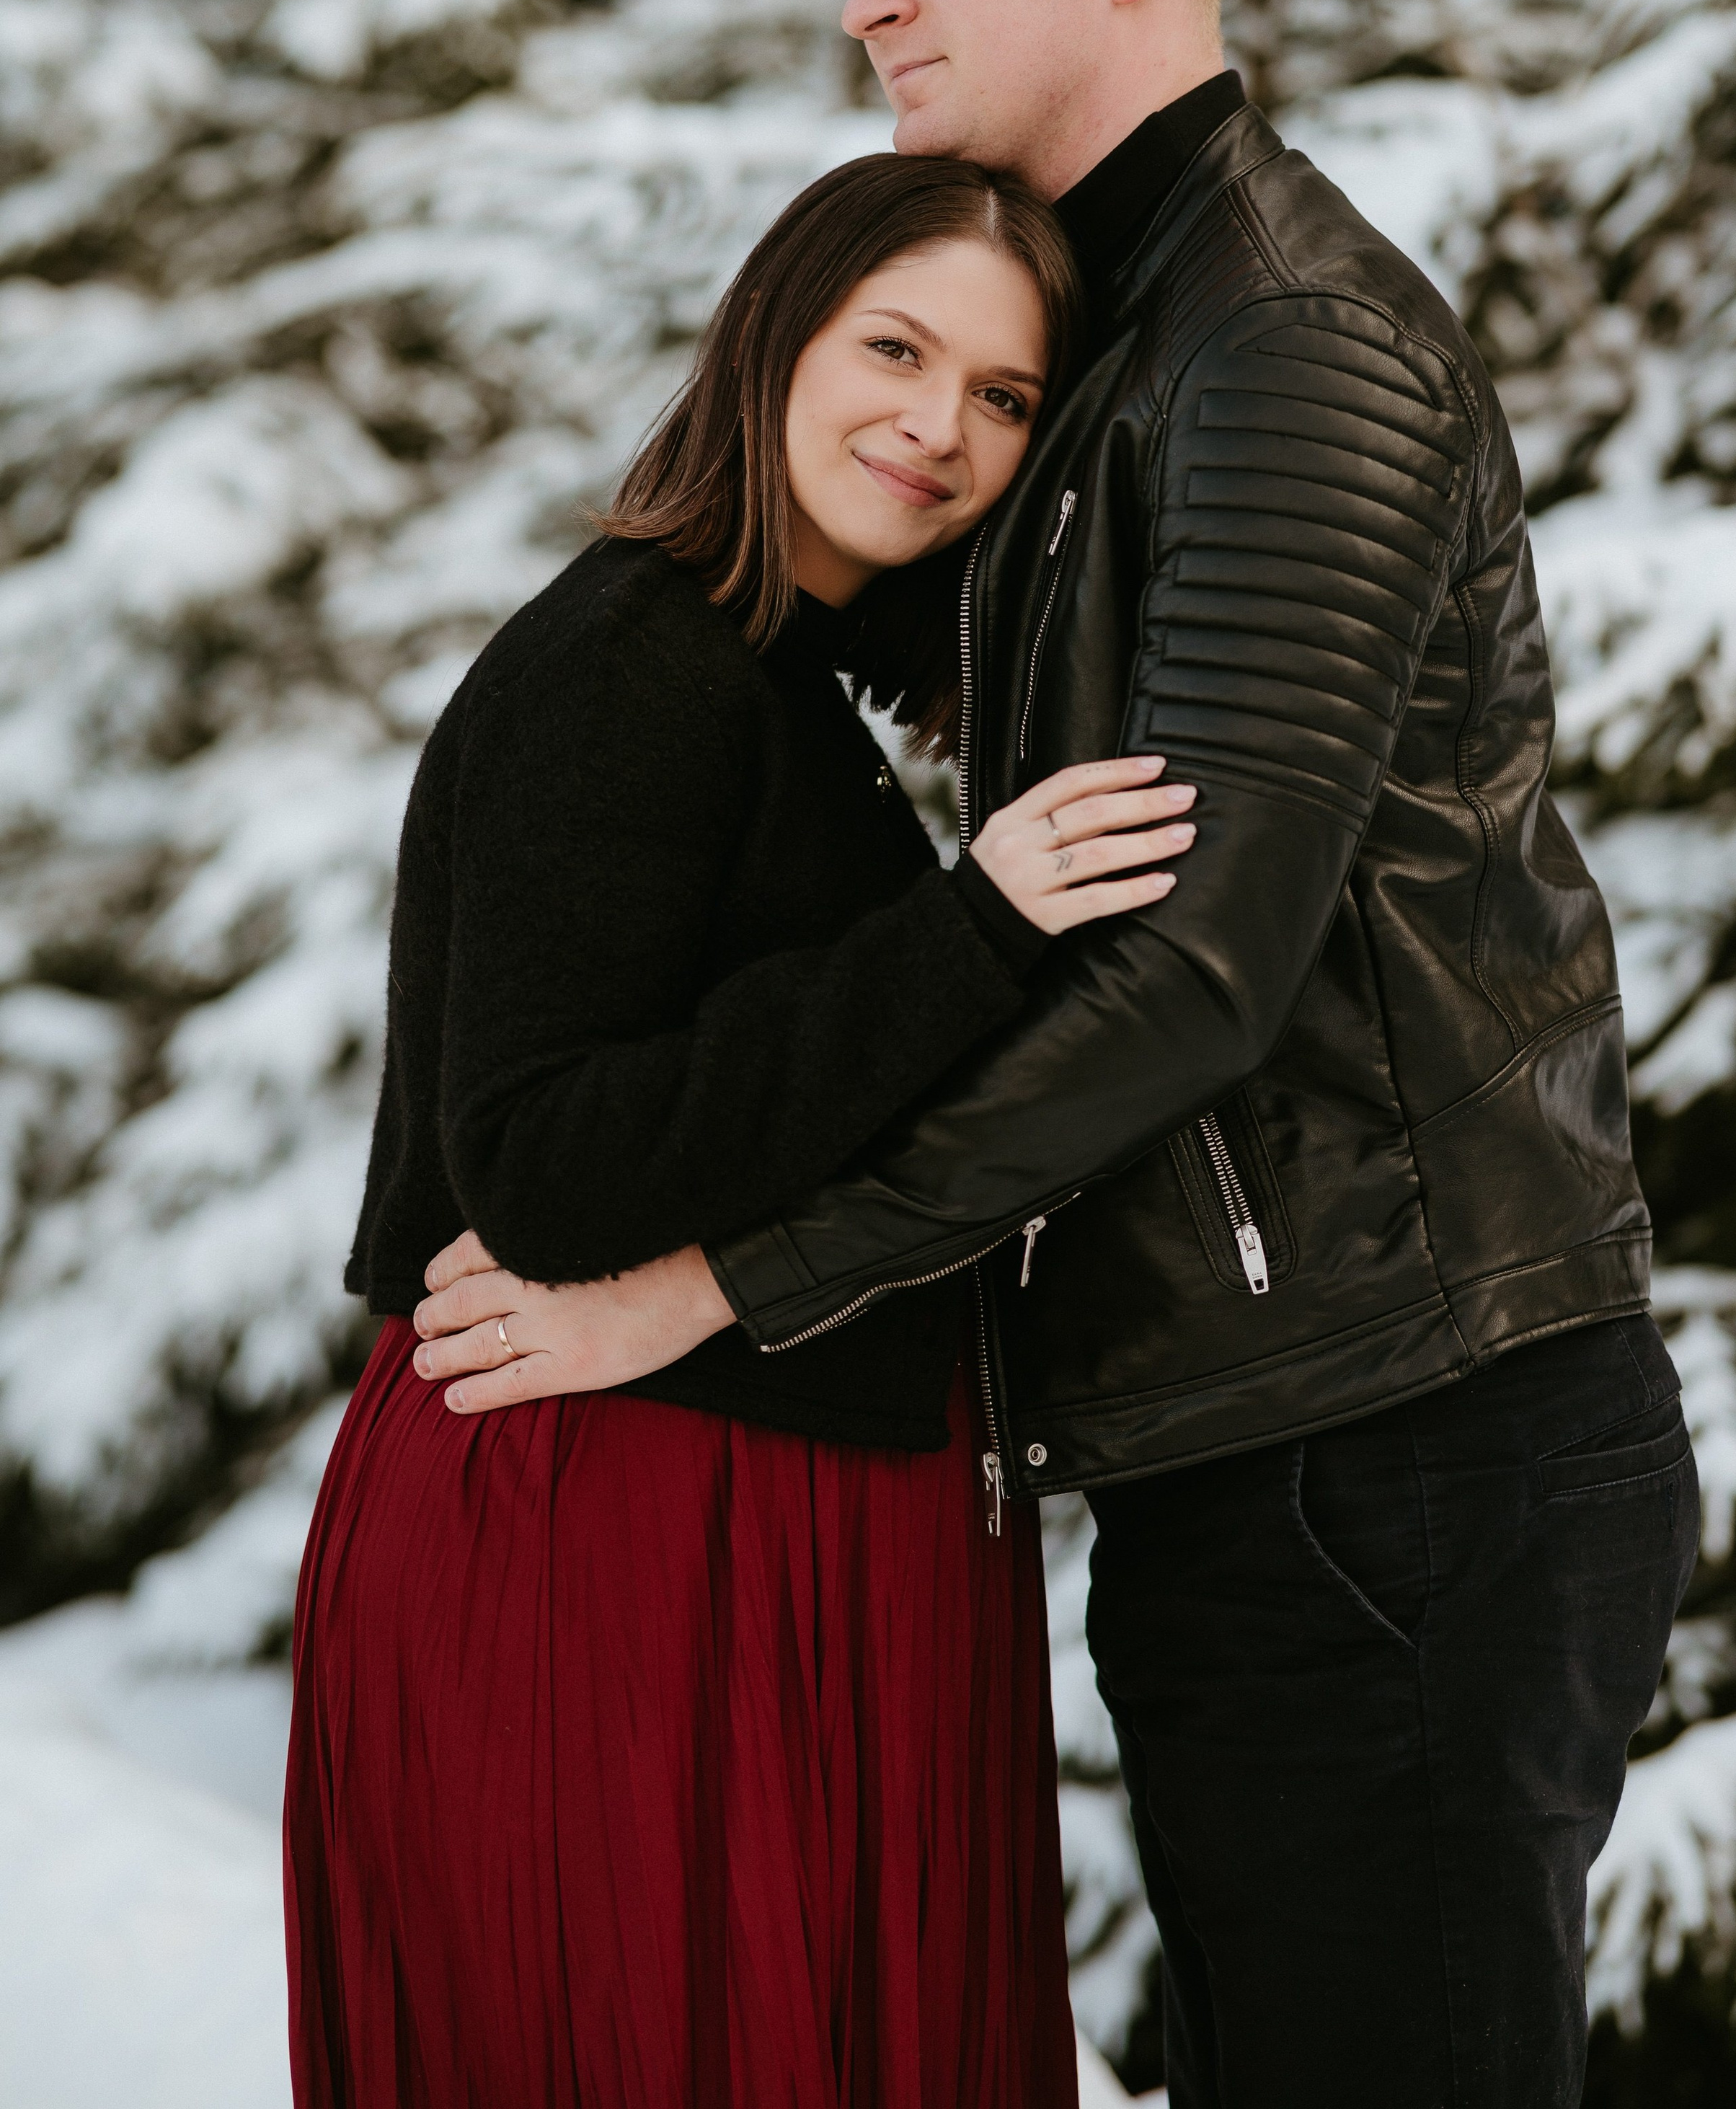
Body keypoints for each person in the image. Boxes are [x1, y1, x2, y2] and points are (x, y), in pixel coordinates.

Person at [411, 0, 1701, 2107]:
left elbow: (1195, 979)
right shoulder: (1106, 362)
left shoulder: (1285, 346)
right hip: (1281, 1434)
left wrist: (719, 1288)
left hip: (1407, 1426)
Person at [285, 152, 1203, 2109]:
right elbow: (546, 1160)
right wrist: (975, 927)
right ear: (774, 333)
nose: (937, 427)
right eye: (897, 346)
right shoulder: (637, 660)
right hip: (619, 1528)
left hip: (729, 1498)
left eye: (1004, 396)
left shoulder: (769, 682)